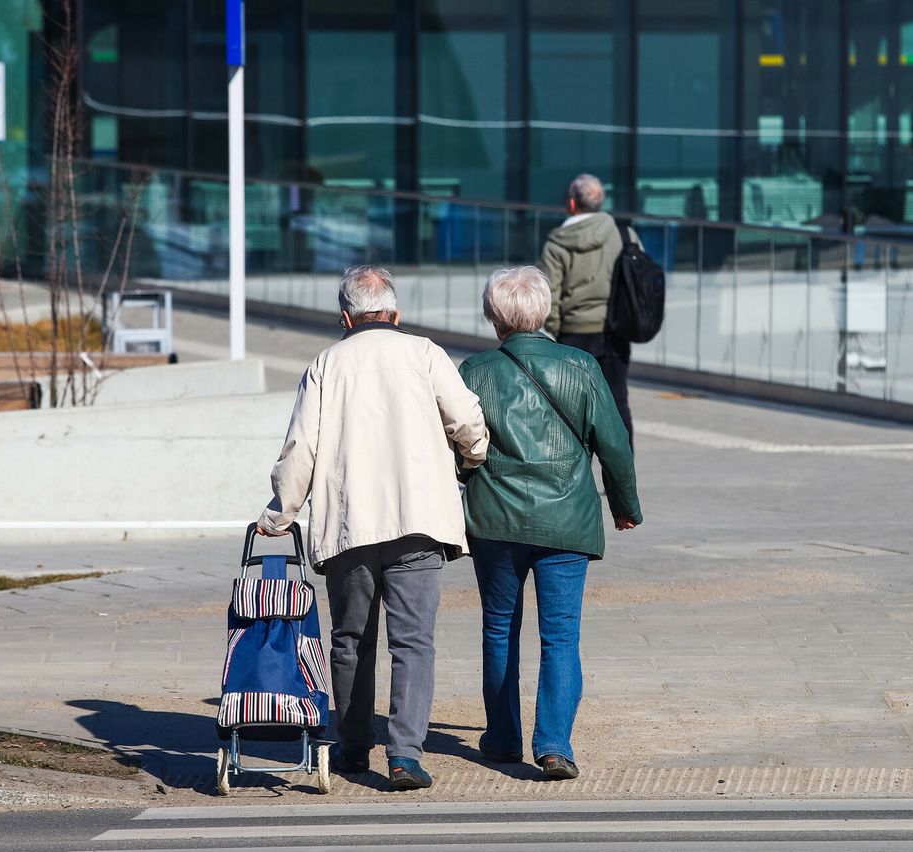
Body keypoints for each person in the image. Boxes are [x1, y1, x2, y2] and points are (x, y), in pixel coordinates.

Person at [257, 264, 489, 790]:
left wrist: (281, 512)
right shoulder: (425, 354)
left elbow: (301, 450)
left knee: (350, 639)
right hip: (419, 521)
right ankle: (405, 755)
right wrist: (471, 459)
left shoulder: (325, 365)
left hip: (350, 525)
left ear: (345, 316)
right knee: (413, 643)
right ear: (396, 314)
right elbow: (469, 422)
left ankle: (354, 746)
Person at [458, 265, 641, 780]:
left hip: (495, 519)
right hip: (567, 517)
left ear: (493, 315)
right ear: (546, 312)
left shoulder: (474, 371)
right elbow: (614, 445)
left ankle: (501, 738)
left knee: (499, 630)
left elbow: (454, 444)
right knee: (561, 636)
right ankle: (555, 745)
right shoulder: (581, 366)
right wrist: (625, 506)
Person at [539, 173, 639, 443]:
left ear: (572, 204)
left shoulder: (557, 243)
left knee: (572, 410)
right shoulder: (624, 235)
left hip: (573, 334)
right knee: (617, 403)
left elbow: (550, 294)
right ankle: (620, 481)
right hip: (614, 332)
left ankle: (576, 478)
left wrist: (557, 330)